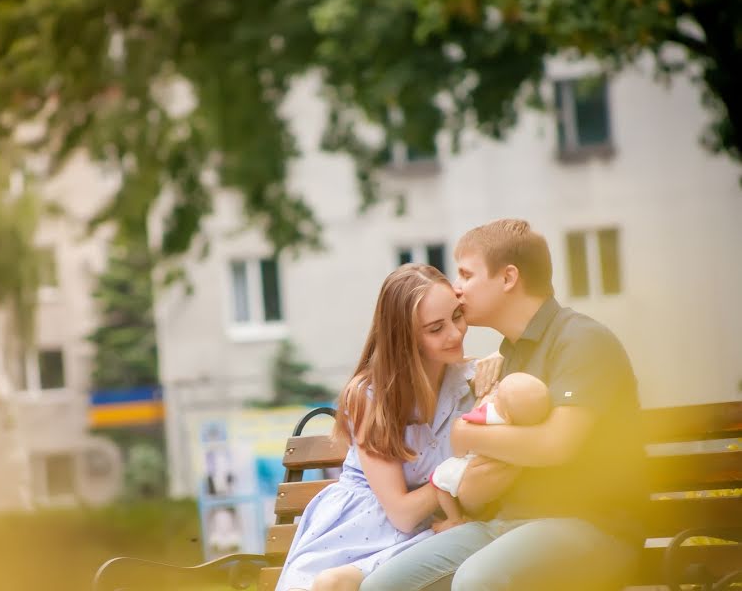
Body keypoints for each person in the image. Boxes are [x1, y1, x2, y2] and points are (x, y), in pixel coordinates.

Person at [361, 219, 645, 591]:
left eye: (466, 275)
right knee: (381, 587)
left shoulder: (582, 340)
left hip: (592, 526)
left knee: (478, 580)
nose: (457, 290)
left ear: (508, 278)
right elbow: (481, 474)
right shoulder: (506, 357)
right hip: (505, 524)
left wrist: (466, 432)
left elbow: (555, 445)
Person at [276, 264, 477, 591]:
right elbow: (401, 513)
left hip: (430, 531)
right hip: (362, 529)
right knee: (329, 584)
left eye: (457, 316)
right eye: (436, 328)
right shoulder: (370, 395)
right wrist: (455, 475)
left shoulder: (472, 383)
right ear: (406, 338)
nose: (455, 334)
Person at [431, 372, 550, 501]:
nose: (495, 395)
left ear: (507, 415)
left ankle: (453, 519)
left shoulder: (490, 414)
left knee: (438, 479)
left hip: (469, 466)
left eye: (498, 396)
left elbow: (462, 428)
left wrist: (485, 399)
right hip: (499, 476)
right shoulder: (522, 423)